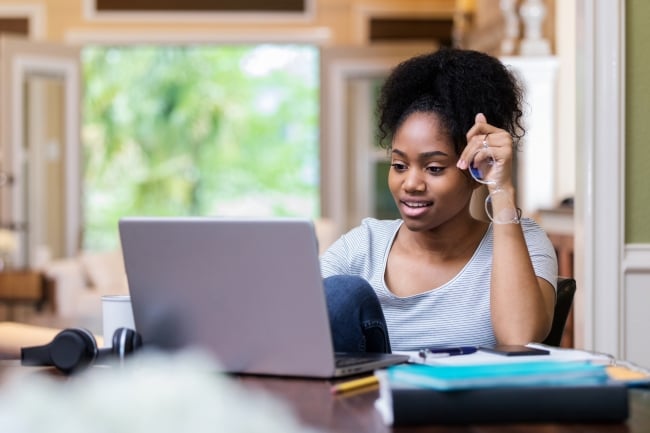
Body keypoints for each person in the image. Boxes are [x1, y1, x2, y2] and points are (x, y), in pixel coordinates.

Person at [319, 48, 558, 353]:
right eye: (399, 165)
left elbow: (519, 338)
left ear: (474, 171)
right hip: (370, 399)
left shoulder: (524, 241)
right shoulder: (362, 247)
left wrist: (501, 188)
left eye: (434, 168)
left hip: (475, 401)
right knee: (339, 293)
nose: (411, 184)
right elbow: (293, 320)